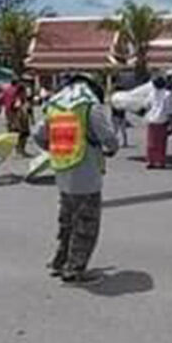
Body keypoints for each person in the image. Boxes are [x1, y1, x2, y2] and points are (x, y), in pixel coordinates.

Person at [33, 73, 118, 284]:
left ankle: (60, 262)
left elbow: (38, 134)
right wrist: (112, 149)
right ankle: (74, 271)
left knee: (67, 222)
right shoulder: (89, 107)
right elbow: (108, 138)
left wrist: (53, 148)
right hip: (86, 174)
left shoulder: (55, 106)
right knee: (86, 224)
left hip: (63, 171)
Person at [144, 76, 172, 169]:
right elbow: (169, 109)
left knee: (151, 142)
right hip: (162, 120)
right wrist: (171, 121)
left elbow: (147, 105)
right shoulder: (167, 94)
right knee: (161, 143)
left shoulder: (152, 93)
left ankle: (151, 161)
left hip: (152, 119)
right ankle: (160, 161)